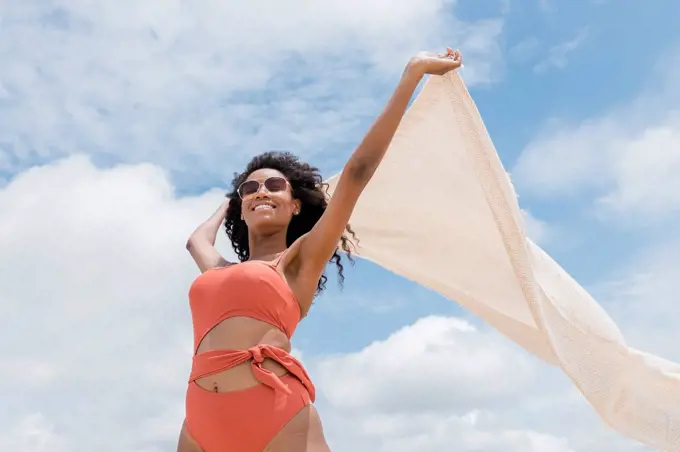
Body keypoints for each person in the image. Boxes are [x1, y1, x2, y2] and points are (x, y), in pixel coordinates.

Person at [177, 47, 463, 452]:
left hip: (273, 413)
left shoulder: (297, 261)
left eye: (275, 186)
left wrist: (412, 75)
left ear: (295, 204)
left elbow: (358, 172)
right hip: (201, 419)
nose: (261, 191)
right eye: (251, 188)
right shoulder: (218, 270)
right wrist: (230, 202)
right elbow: (195, 241)